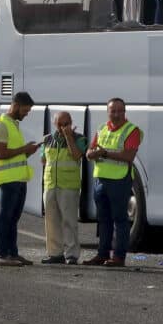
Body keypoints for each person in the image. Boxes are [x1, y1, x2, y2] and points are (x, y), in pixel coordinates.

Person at [83, 98, 142, 267]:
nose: (116, 114)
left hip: (119, 180)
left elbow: (129, 156)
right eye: (113, 111)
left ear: (125, 112)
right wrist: (91, 154)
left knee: (120, 220)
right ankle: (102, 255)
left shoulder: (132, 130)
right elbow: (90, 151)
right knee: (103, 220)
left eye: (119, 111)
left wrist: (104, 153)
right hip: (100, 180)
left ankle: (118, 257)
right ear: (108, 112)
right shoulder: (102, 128)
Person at [0, 91, 39, 267]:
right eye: (25, 110)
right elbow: (2, 153)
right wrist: (24, 149)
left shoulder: (13, 124)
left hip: (18, 178)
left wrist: (28, 150)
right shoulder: (2, 125)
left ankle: (13, 253)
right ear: (16, 105)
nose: (26, 114)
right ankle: (3, 254)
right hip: (8, 179)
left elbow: (15, 154)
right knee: (6, 216)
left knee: (13, 218)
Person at [40, 111, 87, 265]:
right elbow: (43, 159)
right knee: (51, 221)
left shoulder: (80, 139)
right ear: (55, 124)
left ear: (71, 123)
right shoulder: (47, 139)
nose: (63, 127)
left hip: (69, 186)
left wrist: (69, 137)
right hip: (50, 185)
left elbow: (76, 155)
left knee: (69, 221)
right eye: (60, 124)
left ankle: (72, 254)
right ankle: (55, 253)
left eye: (66, 124)